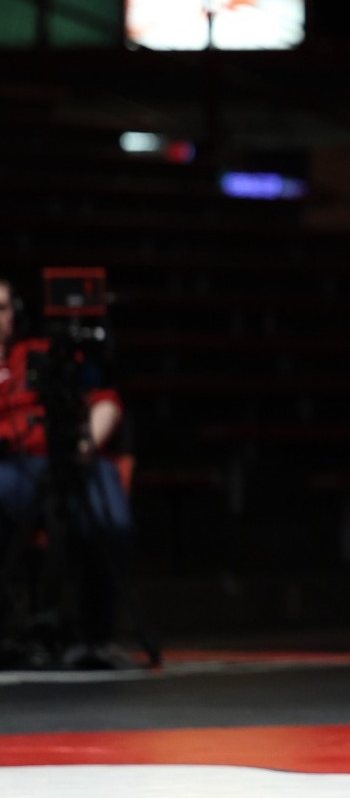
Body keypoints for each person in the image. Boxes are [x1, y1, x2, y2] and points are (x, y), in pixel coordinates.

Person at [0, 275, 132, 669]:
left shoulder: (43, 352)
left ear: (15, 314)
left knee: (109, 520)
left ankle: (95, 637)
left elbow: (105, 401)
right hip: (8, 466)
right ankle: (11, 633)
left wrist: (86, 444)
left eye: (2, 308)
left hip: (70, 457)